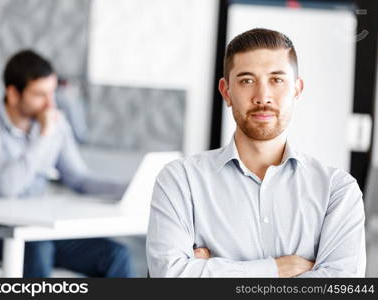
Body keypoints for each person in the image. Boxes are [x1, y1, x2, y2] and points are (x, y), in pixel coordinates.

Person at [146, 28, 366, 277]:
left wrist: (207, 271)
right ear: (226, 91)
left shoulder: (337, 191)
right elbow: (169, 276)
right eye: (247, 80)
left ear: (297, 90)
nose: (263, 96)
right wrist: (277, 269)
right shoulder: (180, 180)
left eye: (277, 79)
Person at [0, 50, 133, 277]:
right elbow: (8, 186)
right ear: (13, 94)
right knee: (36, 246)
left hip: (34, 225)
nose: (49, 103)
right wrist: (43, 135)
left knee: (114, 255)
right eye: (40, 95)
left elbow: (79, 179)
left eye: (52, 93)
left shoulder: (54, 124)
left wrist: (130, 189)